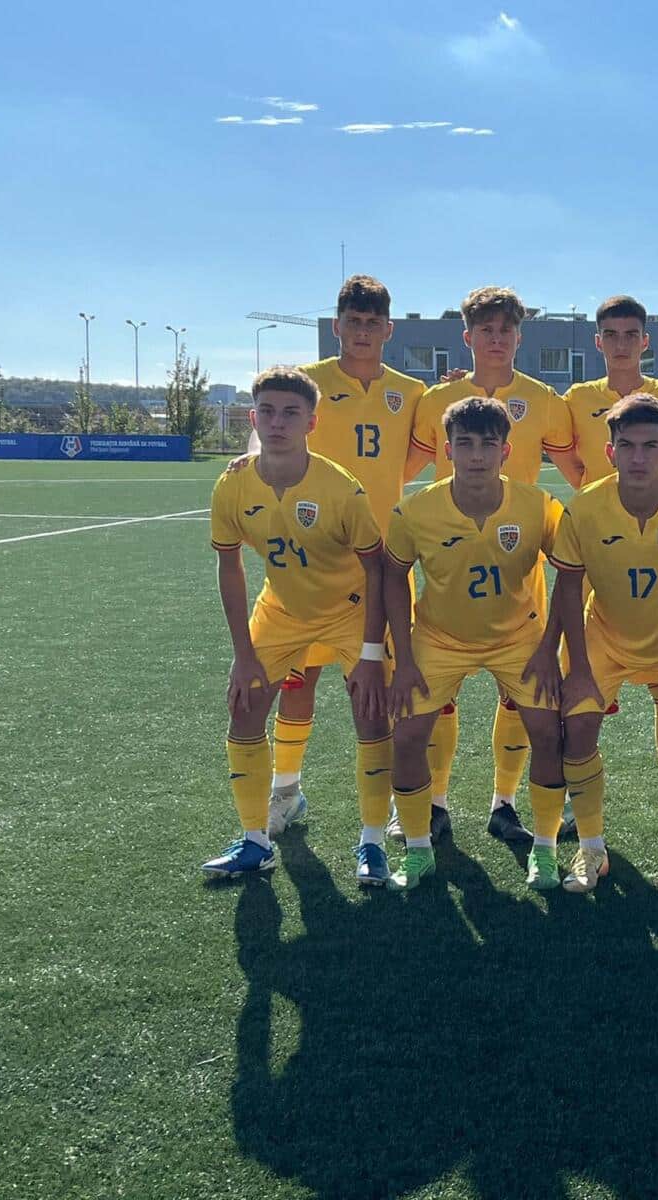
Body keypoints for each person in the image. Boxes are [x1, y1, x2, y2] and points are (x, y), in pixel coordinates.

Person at [233, 276, 438, 843]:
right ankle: (286, 791)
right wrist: (248, 459)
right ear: (337, 326)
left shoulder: (411, 391)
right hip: (310, 560)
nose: (362, 332)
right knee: (298, 684)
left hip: (382, 562)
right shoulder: (311, 381)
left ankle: (394, 800)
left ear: (388, 330)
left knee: (384, 691)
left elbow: (420, 451)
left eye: (373, 323)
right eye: (353, 322)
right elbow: (270, 431)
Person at [201, 367, 391, 883]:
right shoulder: (232, 484)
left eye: (290, 413)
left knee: (372, 714)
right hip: (282, 610)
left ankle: (372, 842)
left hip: (350, 610)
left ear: (312, 422)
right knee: (243, 707)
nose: (277, 422)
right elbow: (230, 567)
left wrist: (371, 655)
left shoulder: (340, 488)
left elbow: (377, 569)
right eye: (267, 412)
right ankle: (254, 840)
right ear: (253, 418)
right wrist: (243, 656)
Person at [410, 287, 584, 846]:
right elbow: (396, 462)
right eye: (485, 329)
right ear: (467, 337)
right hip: (450, 559)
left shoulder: (544, 399)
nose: (496, 338)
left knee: (521, 694)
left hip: (518, 562)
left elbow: (579, 470)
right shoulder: (438, 399)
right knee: (439, 694)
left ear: (519, 336)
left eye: (505, 329)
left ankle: (503, 803)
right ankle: (433, 803)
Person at [382, 397, 566, 891]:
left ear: (506, 451)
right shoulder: (416, 510)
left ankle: (545, 849)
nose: (477, 455)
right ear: (448, 450)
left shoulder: (538, 506)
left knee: (549, 733)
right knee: (406, 737)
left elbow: (571, 573)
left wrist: (549, 647)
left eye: (488, 443)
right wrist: (402, 657)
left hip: (517, 636)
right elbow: (393, 576)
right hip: (439, 637)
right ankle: (418, 850)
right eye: (465, 443)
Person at [548, 395, 658, 891]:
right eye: (627, 446)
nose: (639, 457)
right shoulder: (584, 508)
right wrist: (578, 668)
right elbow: (567, 590)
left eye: (650, 447)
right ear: (610, 453)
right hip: (605, 639)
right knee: (577, 728)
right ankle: (591, 849)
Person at [563, 297, 658, 842]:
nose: (621, 343)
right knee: (579, 689)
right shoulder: (575, 398)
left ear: (646, 340)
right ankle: (575, 809)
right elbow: (570, 462)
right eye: (611, 334)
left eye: (631, 334)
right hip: (602, 540)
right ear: (598, 341)